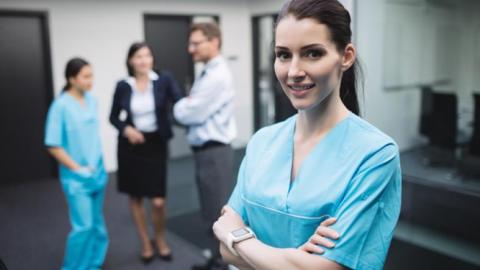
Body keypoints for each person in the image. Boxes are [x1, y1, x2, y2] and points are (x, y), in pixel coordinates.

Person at [212, 0, 402, 269]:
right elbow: (224, 251)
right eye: (283, 55)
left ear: (346, 56)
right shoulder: (262, 141)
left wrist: (239, 238)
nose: (294, 72)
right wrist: (294, 259)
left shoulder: (375, 154)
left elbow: (329, 268)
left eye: (313, 53)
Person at [109, 42, 182, 263]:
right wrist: (127, 129)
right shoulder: (123, 85)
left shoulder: (163, 80)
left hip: (155, 144)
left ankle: (159, 238)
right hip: (131, 147)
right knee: (136, 197)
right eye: (139, 56)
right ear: (131, 60)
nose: (144, 60)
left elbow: (180, 102)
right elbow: (113, 117)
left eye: (147, 55)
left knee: (158, 201)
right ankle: (144, 242)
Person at [173, 22, 237, 270]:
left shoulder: (218, 74)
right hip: (206, 153)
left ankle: (225, 264)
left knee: (218, 215)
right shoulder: (208, 71)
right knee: (210, 212)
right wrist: (188, 103)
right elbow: (191, 107)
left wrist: (184, 105)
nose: (191, 49)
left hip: (214, 152)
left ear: (214, 42)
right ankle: (216, 259)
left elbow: (191, 113)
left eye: (196, 43)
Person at [45, 58, 109, 270]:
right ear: (72, 79)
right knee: (83, 227)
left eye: (92, 75)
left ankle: (94, 264)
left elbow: (92, 137)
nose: (91, 80)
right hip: (77, 178)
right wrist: (77, 169)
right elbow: (53, 145)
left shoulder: (91, 100)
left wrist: (98, 165)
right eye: (86, 76)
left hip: (97, 173)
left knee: (98, 226)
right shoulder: (60, 106)